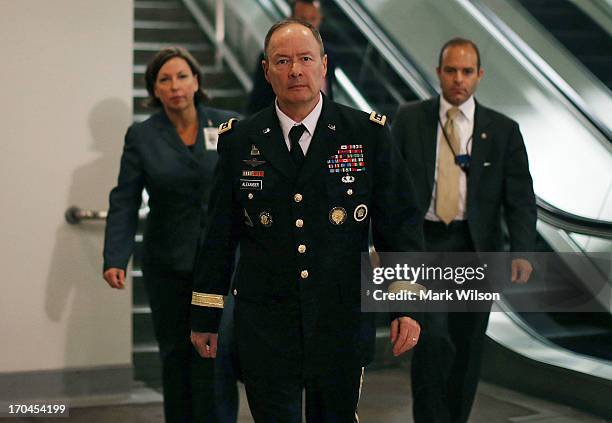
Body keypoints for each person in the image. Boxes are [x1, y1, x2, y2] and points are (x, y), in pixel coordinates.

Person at [190, 19, 423, 422]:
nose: (294, 70)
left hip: (340, 319)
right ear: (266, 71)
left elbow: (399, 225)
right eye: (282, 61)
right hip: (265, 323)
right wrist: (206, 313)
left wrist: (406, 305)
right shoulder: (240, 141)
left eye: (304, 59)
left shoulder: (365, 135)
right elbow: (219, 235)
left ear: (324, 65)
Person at [391, 38, 537, 423]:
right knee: (431, 338)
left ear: (479, 75)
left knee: (468, 345)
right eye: (451, 70)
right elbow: (386, 187)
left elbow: (520, 197)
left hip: (474, 248)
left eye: (467, 71)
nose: (458, 79)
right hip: (422, 244)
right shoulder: (409, 119)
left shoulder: (502, 130)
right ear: (439, 72)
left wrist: (521, 250)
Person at [102, 47, 239, 423]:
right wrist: (116, 256)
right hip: (167, 264)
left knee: (216, 352)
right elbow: (125, 200)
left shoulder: (228, 126)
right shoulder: (143, 136)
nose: (175, 85)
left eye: (182, 76)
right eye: (165, 79)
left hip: (221, 263)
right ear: (155, 90)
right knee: (176, 355)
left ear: (197, 81)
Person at [245, 0, 336, 115]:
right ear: (291, 18)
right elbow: (257, 102)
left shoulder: (329, 55)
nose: (308, 25)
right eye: (303, 18)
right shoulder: (272, 56)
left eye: (313, 18)